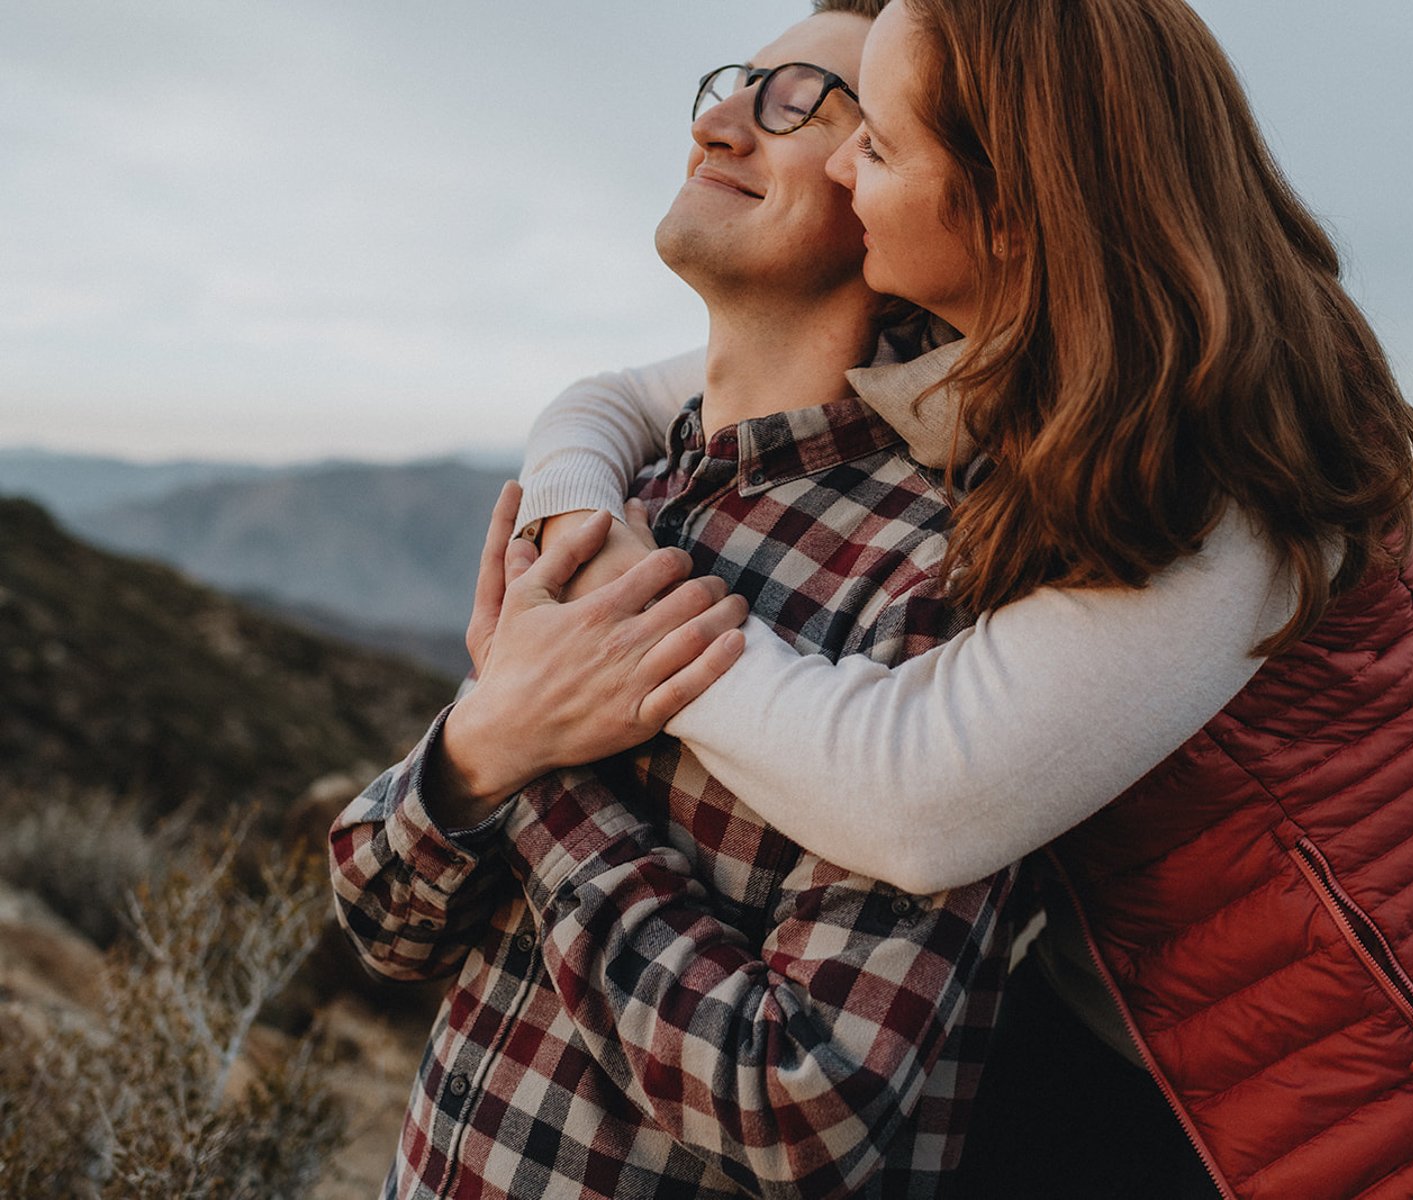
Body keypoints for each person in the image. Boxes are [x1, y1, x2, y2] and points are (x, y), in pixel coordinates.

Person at [467, 0, 1413, 1197]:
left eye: (883, 143)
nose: (848, 160)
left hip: (1379, 1061)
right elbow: (614, 400)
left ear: (1012, 207)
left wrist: (593, 640)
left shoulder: (1212, 459)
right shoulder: (1027, 323)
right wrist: (576, 523)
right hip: (1130, 980)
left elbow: (913, 798)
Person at [329, 4, 1026, 1197]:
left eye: (798, 99)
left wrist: (542, 758)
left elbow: (802, 1107)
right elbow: (382, 915)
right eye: (730, 84)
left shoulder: (941, 578)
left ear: (898, 190)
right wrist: (488, 740)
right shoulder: (627, 499)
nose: (715, 124)